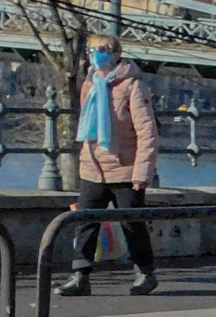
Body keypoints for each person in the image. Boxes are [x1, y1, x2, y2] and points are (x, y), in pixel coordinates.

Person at [59, 34, 161, 297]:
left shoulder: (133, 86)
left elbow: (147, 132)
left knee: (131, 223)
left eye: (102, 50)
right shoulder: (90, 84)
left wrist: (142, 172)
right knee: (85, 222)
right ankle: (80, 276)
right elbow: (87, 128)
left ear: (116, 53)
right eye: (92, 50)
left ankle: (145, 273)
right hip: (93, 167)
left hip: (125, 168)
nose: (96, 54)